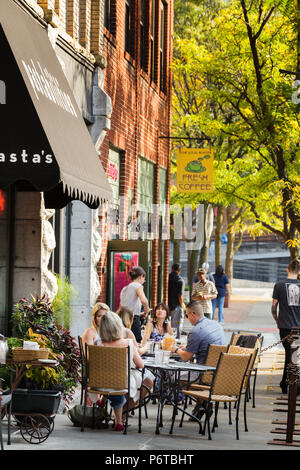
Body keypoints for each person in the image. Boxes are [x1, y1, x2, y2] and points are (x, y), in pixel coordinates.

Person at [99, 311, 153, 431]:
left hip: (101, 382)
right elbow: (140, 365)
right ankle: (124, 411)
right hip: (121, 382)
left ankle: (116, 411)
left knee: (131, 381)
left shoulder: (98, 343)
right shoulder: (127, 343)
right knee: (146, 382)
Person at [271, 259, 300, 394]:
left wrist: (277, 320)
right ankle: (290, 383)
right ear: (299, 272)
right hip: (298, 326)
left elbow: (273, 307)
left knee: (290, 355)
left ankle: (286, 382)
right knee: (293, 355)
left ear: (287, 270)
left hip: (284, 326)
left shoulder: (279, 285)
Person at [171, 300, 226, 364]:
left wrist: (176, 349)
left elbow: (186, 357)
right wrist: (188, 349)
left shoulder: (195, 331)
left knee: (175, 370)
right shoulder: (216, 324)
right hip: (219, 368)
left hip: (203, 370)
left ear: (192, 314)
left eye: (187, 315)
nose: (187, 318)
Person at [119, 266, 150, 344]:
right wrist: (147, 310)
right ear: (141, 276)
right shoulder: (137, 285)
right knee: (136, 342)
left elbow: (122, 307)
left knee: (125, 341)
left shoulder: (124, 289)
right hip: (133, 320)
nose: (144, 281)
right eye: (144, 278)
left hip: (122, 319)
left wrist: (140, 314)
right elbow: (144, 300)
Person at [168, 263, 185, 336]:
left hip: (167, 305)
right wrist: (182, 306)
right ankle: (176, 340)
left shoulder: (167, 278)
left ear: (172, 269)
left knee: (168, 325)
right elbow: (180, 295)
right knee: (177, 326)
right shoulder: (180, 280)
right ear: (179, 271)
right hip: (176, 306)